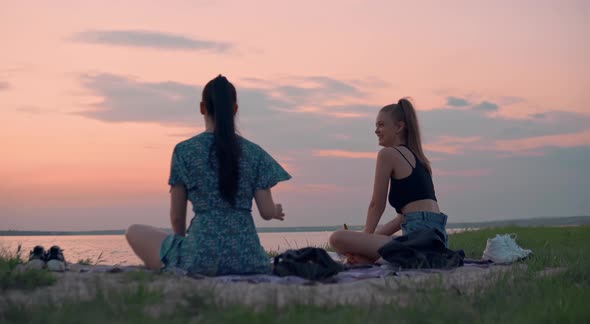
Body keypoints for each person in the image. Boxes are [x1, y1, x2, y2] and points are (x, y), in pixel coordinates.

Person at [126, 75, 291, 275]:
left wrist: (180, 246)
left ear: (202, 108)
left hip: (199, 258)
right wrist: (275, 210)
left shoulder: (184, 150)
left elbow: (177, 216)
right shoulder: (254, 152)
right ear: (235, 109)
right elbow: (265, 212)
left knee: (134, 231)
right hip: (249, 260)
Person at [329, 98, 447, 264]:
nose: (376, 130)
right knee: (374, 237)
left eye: (381, 125)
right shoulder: (421, 160)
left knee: (337, 237)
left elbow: (376, 205)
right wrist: (371, 239)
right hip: (437, 244)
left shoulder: (388, 154)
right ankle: (365, 258)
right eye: (376, 126)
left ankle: (363, 257)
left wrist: (362, 241)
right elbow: (401, 219)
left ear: (399, 127)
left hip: (417, 245)